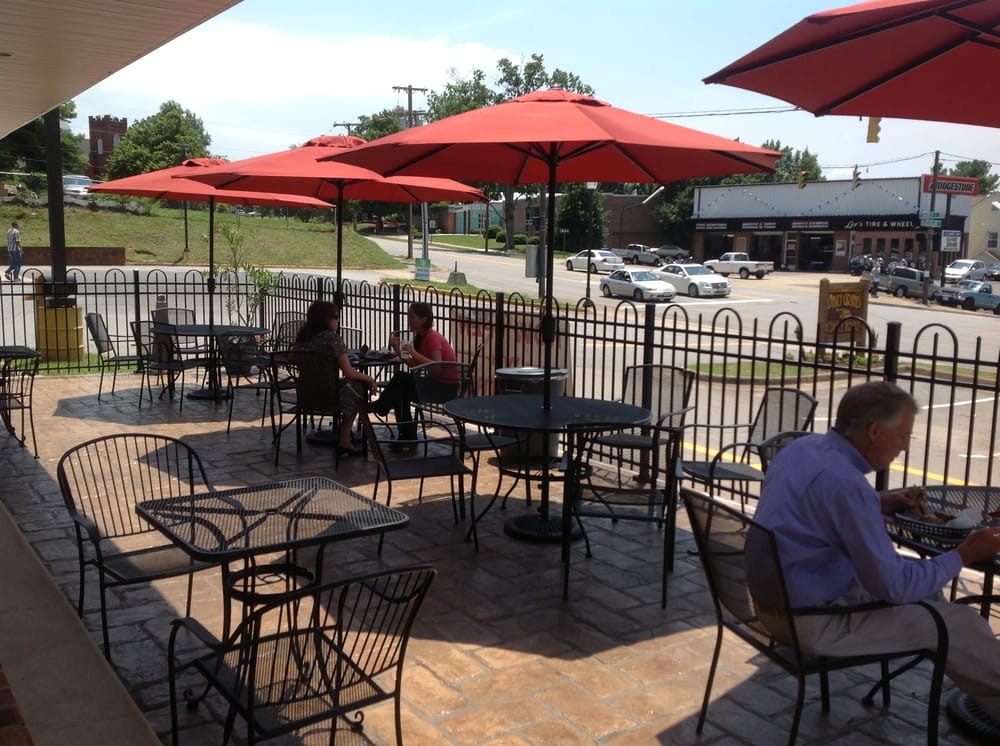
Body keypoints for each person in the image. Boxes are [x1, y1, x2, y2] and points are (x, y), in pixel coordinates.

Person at [752, 381, 1000, 723]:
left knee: (930, 594)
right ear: (874, 432)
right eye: (903, 436)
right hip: (811, 621)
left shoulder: (803, 448)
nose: (904, 447)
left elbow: (819, 509)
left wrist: (877, 503)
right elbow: (894, 586)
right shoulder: (846, 484)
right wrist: (964, 554)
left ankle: (987, 693)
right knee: (960, 624)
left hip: (777, 602)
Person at [293, 300, 378, 455]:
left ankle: (343, 436)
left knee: (352, 385)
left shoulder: (302, 338)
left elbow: (290, 358)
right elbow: (348, 372)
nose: (338, 321)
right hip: (330, 396)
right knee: (358, 387)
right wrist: (369, 379)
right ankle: (344, 438)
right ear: (325, 319)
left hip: (304, 394)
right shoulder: (333, 339)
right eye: (335, 317)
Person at [370, 301, 457, 442]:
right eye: (408, 316)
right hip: (435, 384)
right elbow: (414, 365)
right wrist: (398, 349)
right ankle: (407, 435)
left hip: (445, 387)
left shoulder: (432, 337)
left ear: (423, 319)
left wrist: (414, 353)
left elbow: (437, 368)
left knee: (401, 380)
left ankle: (381, 407)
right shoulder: (421, 337)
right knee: (400, 388)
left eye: (412, 317)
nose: (409, 320)